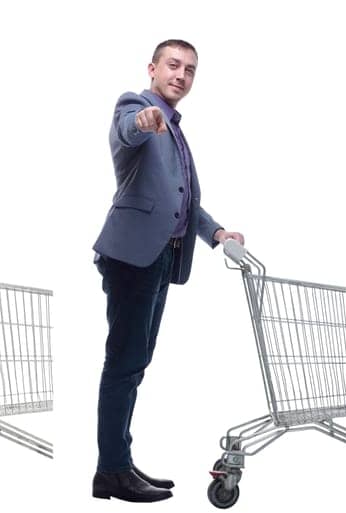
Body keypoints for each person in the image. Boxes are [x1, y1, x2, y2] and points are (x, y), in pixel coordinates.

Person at [91, 39, 244, 503]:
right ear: (153, 68)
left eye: (190, 70)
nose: (181, 75)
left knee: (134, 365)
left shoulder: (176, 129)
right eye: (173, 66)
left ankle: (119, 461)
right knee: (123, 365)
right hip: (132, 257)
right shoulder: (137, 105)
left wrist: (217, 234)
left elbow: (183, 200)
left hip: (161, 258)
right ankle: (112, 472)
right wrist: (142, 122)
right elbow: (127, 131)